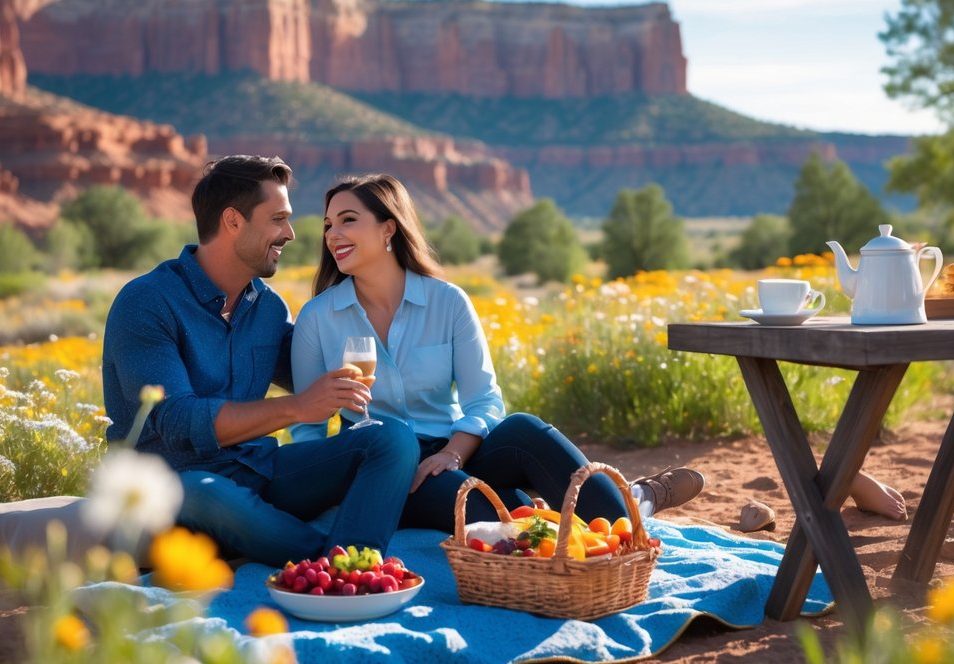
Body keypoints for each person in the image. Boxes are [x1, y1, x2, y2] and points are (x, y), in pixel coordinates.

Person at [289, 173, 705, 531]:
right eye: (328, 225)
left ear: (388, 229)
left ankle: (630, 515)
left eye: (347, 220)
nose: (332, 235)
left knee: (524, 429)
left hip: (454, 448)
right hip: (384, 466)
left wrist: (453, 453)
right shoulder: (318, 317)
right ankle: (577, 512)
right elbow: (308, 428)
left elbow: (484, 400)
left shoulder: (447, 302)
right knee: (487, 510)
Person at [102, 156, 419, 567]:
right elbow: (180, 422)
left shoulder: (268, 310)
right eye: (278, 219)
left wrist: (384, 298)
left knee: (390, 439)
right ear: (233, 221)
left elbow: (317, 375)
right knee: (205, 491)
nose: (289, 233)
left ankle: (345, 566)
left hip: (260, 469)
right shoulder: (146, 302)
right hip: (176, 485)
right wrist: (299, 408)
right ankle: (342, 567)